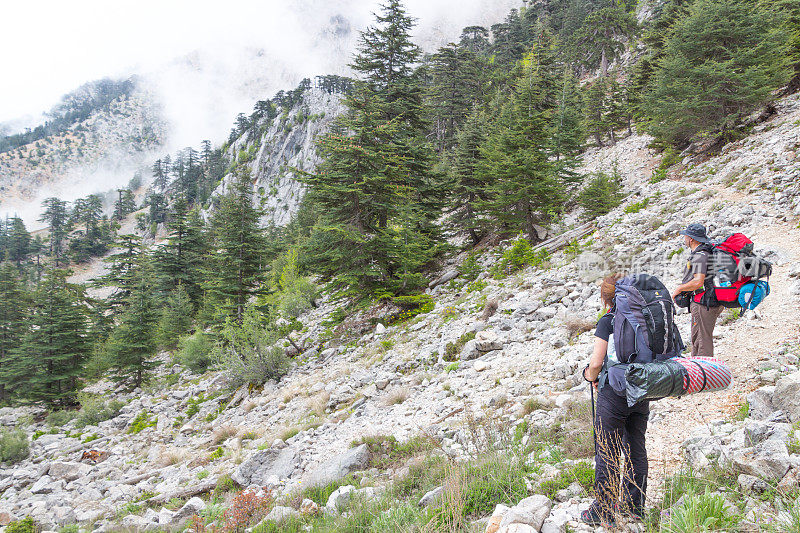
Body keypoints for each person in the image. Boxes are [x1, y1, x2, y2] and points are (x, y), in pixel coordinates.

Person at [581, 274, 649, 526]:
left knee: (607, 449)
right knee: (636, 447)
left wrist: (590, 375)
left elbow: (597, 362)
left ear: (606, 298)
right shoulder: (643, 318)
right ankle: (635, 507)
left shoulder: (608, 320)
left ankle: (604, 510)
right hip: (642, 389)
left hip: (614, 393)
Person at [671, 223, 723, 358]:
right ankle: (697, 370)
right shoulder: (707, 252)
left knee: (702, 339)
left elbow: (698, 281)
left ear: (691, 239)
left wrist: (679, 289)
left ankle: (704, 374)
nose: (684, 239)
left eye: (686, 236)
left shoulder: (700, 255)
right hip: (711, 299)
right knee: (699, 337)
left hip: (704, 302)